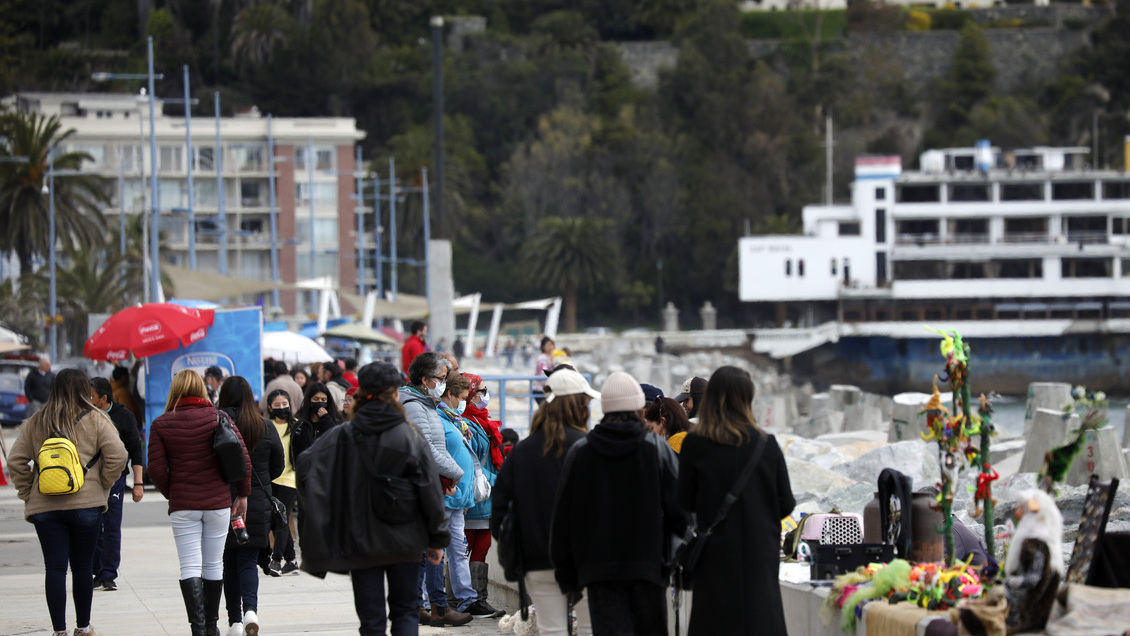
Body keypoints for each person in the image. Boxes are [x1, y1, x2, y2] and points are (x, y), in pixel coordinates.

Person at [295, 362, 449, 636]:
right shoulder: (409, 435)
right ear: (394, 393)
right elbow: (429, 489)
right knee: (405, 612)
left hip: (361, 539)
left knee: (371, 620)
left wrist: (325, 513)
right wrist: (437, 538)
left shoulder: (343, 435)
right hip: (407, 537)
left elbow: (306, 465)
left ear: (362, 393)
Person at [552, 371, 687, 636]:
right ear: (639, 408)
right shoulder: (657, 451)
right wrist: (669, 560)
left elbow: (564, 520)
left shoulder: (581, 452)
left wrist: (567, 576)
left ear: (604, 409)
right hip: (648, 568)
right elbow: (679, 512)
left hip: (600, 572)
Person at [9, 369, 128, 636]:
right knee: (83, 567)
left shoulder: (36, 421)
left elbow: (15, 461)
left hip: (45, 507)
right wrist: (102, 484)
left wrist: (29, 492)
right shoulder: (97, 419)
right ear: (85, 389)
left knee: (54, 568)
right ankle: (83, 628)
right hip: (86, 507)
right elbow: (119, 455)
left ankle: (58, 631)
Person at [677, 366, 795, 636]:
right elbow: (786, 503)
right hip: (759, 558)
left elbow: (685, 501)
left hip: (715, 560)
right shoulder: (767, 444)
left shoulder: (695, 444)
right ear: (747, 399)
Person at [492, 368, 600, 636]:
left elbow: (499, 512)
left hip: (536, 557)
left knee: (551, 630)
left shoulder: (521, 453)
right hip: (586, 558)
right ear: (579, 405)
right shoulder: (590, 448)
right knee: (589, 628)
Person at [149, 369, 253, 636]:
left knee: (189, 565)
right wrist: (242, 494)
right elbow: (242, 459)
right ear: (202, 388)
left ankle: (198, 630)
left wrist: (172, 493)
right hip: (218, 503)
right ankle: (212, 626)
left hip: (183, 504)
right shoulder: (219, 418)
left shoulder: (161, 424)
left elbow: (157, 470)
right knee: (213, 564)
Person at [398, 352, 469, 627]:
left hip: (430, 486)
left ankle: (421, 605)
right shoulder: (415, 406)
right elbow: (426, 448)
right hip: (423, 489)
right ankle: (438, 606)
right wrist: (456, 473)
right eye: (441, 378)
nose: (444, 383)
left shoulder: (425, 403)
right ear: (425, 379)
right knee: (433, 550)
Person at [217, 376, 284, 636]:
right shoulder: (265, 426)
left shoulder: (217, 424)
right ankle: (250, 612)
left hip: (224, 501)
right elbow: (278, 465)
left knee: (227, 561)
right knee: (247, 559)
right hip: (257, 502)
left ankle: (234, 622)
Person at [433, 374, 487, 621]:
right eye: (463, 398)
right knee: (440, 550)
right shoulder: (440, 418)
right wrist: (450, 479)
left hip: (457, 497)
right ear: (451, 395)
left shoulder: (454, 420)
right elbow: (437, 454)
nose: (465, 402)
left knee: (457, 548)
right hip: (446, 494)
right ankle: (432, 601)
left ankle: (466, 599)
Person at [89, 377, 145, 592]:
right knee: (91, 525)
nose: (88, 400)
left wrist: (138, 483)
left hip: (115, 479)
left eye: (91, 396)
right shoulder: (86, 416)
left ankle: (108, 573)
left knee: (111, 525)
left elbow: (135, 451)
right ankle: (96, 570)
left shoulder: (124, 417)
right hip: (90, 480)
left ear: (103, 398)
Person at [460, 373, 506, 616]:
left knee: (477, 545)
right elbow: (471, 462)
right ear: (470, 394)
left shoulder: (478, 422)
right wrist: (499, 481)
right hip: (479, 495)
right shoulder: (468, 424)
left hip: (482, 496)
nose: (485, 396)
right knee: (473, 546)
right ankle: (472, 600)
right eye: (482, 391)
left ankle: (468, 598)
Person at [265, 389, 311, 577]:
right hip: (269, 478)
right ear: (270, 407)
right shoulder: (266, 426)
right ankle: (291, 560)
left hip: (289, 478)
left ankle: (276, 560)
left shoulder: (299, 426)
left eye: (285, 404)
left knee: (282, 517)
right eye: (277, 405)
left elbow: (306, 453)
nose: (282, 408)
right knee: (273, 519)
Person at [531, 337, 555, 404]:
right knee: (547, 411)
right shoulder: (542, 358)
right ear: (543, 346)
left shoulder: (550, 357)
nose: (551, 347)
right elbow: (543, 374)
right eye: (549, 345)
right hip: (540, 389)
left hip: (546, 389)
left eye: (552, 345)